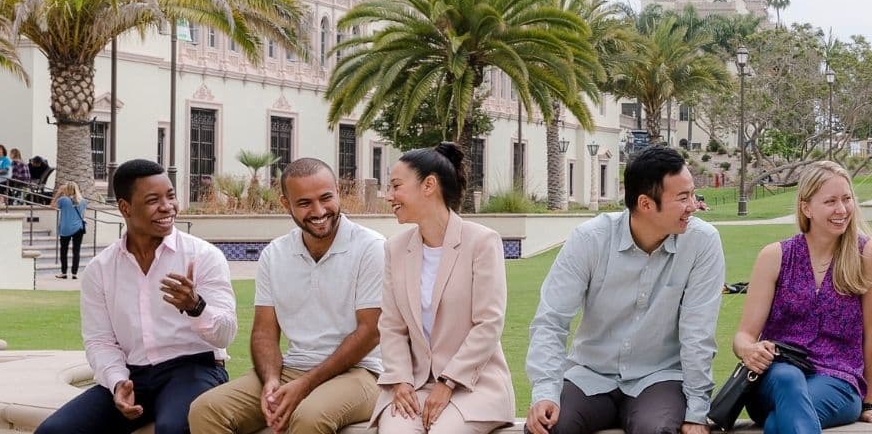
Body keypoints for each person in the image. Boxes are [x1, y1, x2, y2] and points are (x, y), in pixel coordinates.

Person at [525, 145, 725, 434]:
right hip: (589, 374)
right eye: (683, 198)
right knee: (547, 427)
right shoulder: (590, 239)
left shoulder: (702, 243)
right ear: (645, 204)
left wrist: (696, 412)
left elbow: (698, 334)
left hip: (659, 378)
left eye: (692, 194)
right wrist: (545, 391)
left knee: (656, 430)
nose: (693, 205)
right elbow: (551, 321)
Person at [34, 159, 237, 434]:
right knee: (54, 431)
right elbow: (99, 340)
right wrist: (118, 382)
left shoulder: (203, 256)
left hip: (194, 368)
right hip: (134, 375)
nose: (167, 207)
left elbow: (225, 335)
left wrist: (196, 306)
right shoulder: (101, 269)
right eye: (153, 200)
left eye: (171, 196)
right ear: (125, 208)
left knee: (173, 429)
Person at [189, 158, 385, 434]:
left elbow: (370, 332)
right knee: (206, 410)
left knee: (308, 417)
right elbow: (264, 332)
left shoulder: (371, 248)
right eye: (305, 203)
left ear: (338, 193)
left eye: (326, 198)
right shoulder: (275, 253)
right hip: (292, 369)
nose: (319, 211)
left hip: (361, 372)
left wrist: (305, 385)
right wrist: (270, 380)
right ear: (286, 204)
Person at [732, 161, 872, 433]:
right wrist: (749, 350)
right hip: (775, 379)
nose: (842, 209)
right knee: (788, 379)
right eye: (831, 201)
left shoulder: (868, 255)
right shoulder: (775, 257)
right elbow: (743, 336)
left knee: (780, 422)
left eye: (847, 199)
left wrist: (868, 405)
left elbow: (870, 338)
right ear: (806, 207)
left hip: (837, 382)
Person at [371, 142, 514, 434]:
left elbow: (488, 323)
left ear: (429, 185)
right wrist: (400, 380)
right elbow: (391, 326)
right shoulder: (395, 249)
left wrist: (448, 382)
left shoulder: (482, 242)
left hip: (473, 385)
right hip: (413, 386)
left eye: (396, 185)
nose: (389, 196)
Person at [50, 182, 89, 279]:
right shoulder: (83, 201)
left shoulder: (63, 200)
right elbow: (83, 215)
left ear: (66, 189)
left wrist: (58, 193)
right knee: (76, 251)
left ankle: (64, 272)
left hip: (65, 228)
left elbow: (52, 206)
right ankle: (74, 273)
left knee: (64, 250)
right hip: (78, 228)